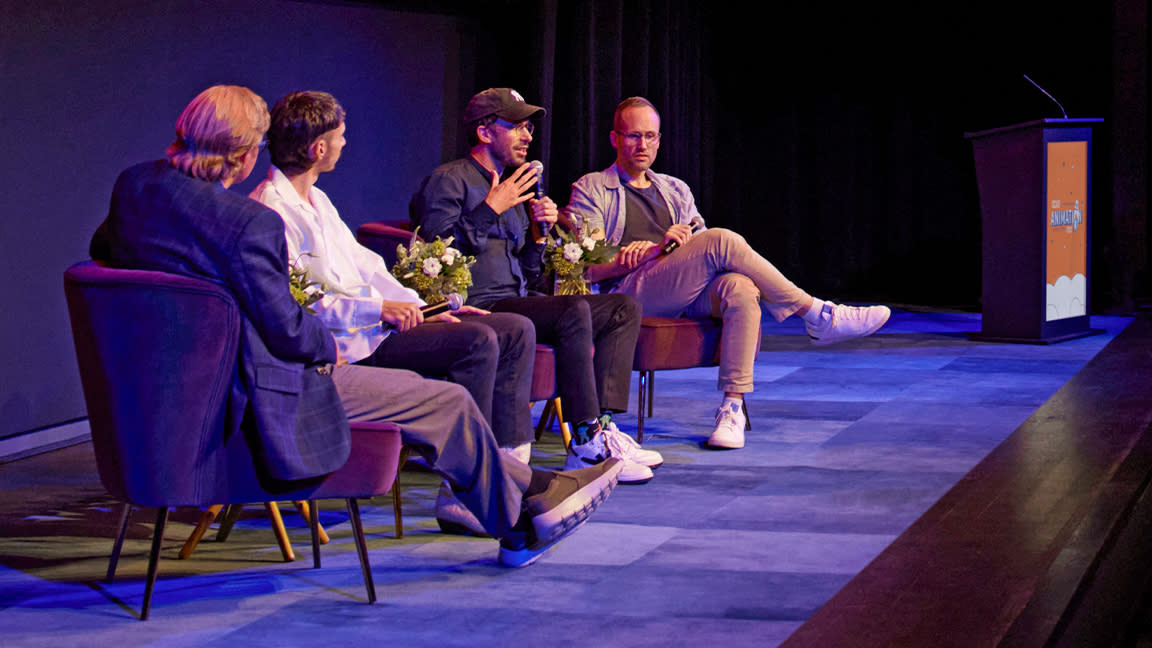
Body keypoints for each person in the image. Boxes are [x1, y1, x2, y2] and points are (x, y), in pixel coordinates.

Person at [89, 84, 621, 568]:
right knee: (445, 401)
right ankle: (521, 522)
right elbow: (291, 333)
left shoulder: (135, 188)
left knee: (435, 386)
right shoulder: (246, 223)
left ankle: (542, 486)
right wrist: (332, 347)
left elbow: (104, 254)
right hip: (258, 395)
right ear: (247, 154)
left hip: (158, 400)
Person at [250, 90, 536, 536]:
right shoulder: (272, 210)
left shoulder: (318, 201)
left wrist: (423, 305)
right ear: (318, 148)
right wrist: (382, 308)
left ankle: (507, 468)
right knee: (477, 342)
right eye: (340, 137)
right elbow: (303, 304)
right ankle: (462, 492)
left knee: (513, 328)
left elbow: (368, 265)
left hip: (377, 326)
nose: (345, 144)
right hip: (350, 343)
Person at [565, 96, 891, 450]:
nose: (641, 145)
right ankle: (816, 314)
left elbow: (702, 253)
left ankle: (732, 406)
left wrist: (675, 250)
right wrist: (655, 251)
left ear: (659, 139)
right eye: (632, 136)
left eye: (649, 136)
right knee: (721, 240)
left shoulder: (675, 189)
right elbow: (587, 269)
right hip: (627, 295)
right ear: (615, 138)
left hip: (681, 291)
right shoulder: (592, 188)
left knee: (740, 286)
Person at [410, 88, 660, 485]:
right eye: (516, 127)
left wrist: (539, 237)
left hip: (515, 300)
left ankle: (603, 424)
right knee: (572, 309)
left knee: (620, 307)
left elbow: (526, 276)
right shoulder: (449, 181)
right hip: (475, 306)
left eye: (529, 128)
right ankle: (584, 440)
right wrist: (491, 208)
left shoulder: (514, 187)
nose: (527, 137)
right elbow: (436, 257)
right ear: (484, 132)